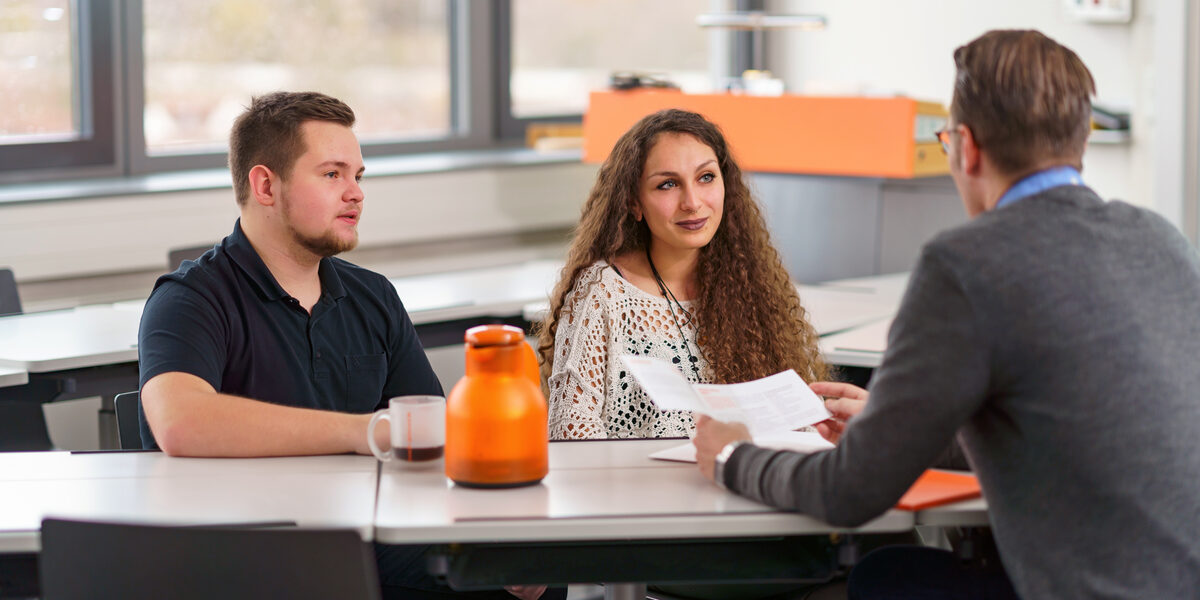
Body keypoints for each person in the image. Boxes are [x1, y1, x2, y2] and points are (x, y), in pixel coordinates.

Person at [694, 29, 1200, 599]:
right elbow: (1064, 431)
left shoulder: (966, 264)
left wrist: (734, 456)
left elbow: (850, 493)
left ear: (966, 146)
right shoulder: (1163, 241)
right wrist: (900, 429)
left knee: (883, 579)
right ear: (1079, 141)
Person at [137, 91, 556, 600]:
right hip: (254, 553)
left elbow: (429, 437)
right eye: (332, 174)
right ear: (266, 185)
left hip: (371, 534)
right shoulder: (190, 298)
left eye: (358, 176)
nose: (355, 193)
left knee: (528, 572)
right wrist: (367, 431)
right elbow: (182, 423)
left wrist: (501, 536)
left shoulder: (372, 295)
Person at [538, 108, 828, 440]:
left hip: (740, 482)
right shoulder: (601, 293)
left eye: (706, 177)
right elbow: (571, 437)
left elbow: (802, 425)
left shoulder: (753, 287)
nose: (692, 202)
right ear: (634, 203)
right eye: (667, 185)